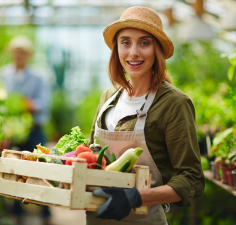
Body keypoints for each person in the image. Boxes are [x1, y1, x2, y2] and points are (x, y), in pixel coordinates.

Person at [88, 6, 205, 225]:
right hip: (98, 215)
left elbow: (191, 179)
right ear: (117, 49)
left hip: (145, 218)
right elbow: (91, 160)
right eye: (125, 42)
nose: (133, 52)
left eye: (144, 42)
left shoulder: (173, 103)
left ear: (156, 50)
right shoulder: (108, 98)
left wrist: (136, 196)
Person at [0, 35, 52, 225]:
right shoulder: (4, 74)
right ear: (12, 54)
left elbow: (45, 103)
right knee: (15, 170)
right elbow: (1, 102)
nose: (18, 56)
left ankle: (45, 213)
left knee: (40, 168)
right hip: (14, 131)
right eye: (16, 53)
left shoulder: (38, 76)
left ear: (28, 55)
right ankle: (16, 213)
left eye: (22, 53)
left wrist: (29, 104)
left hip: (35, 129)